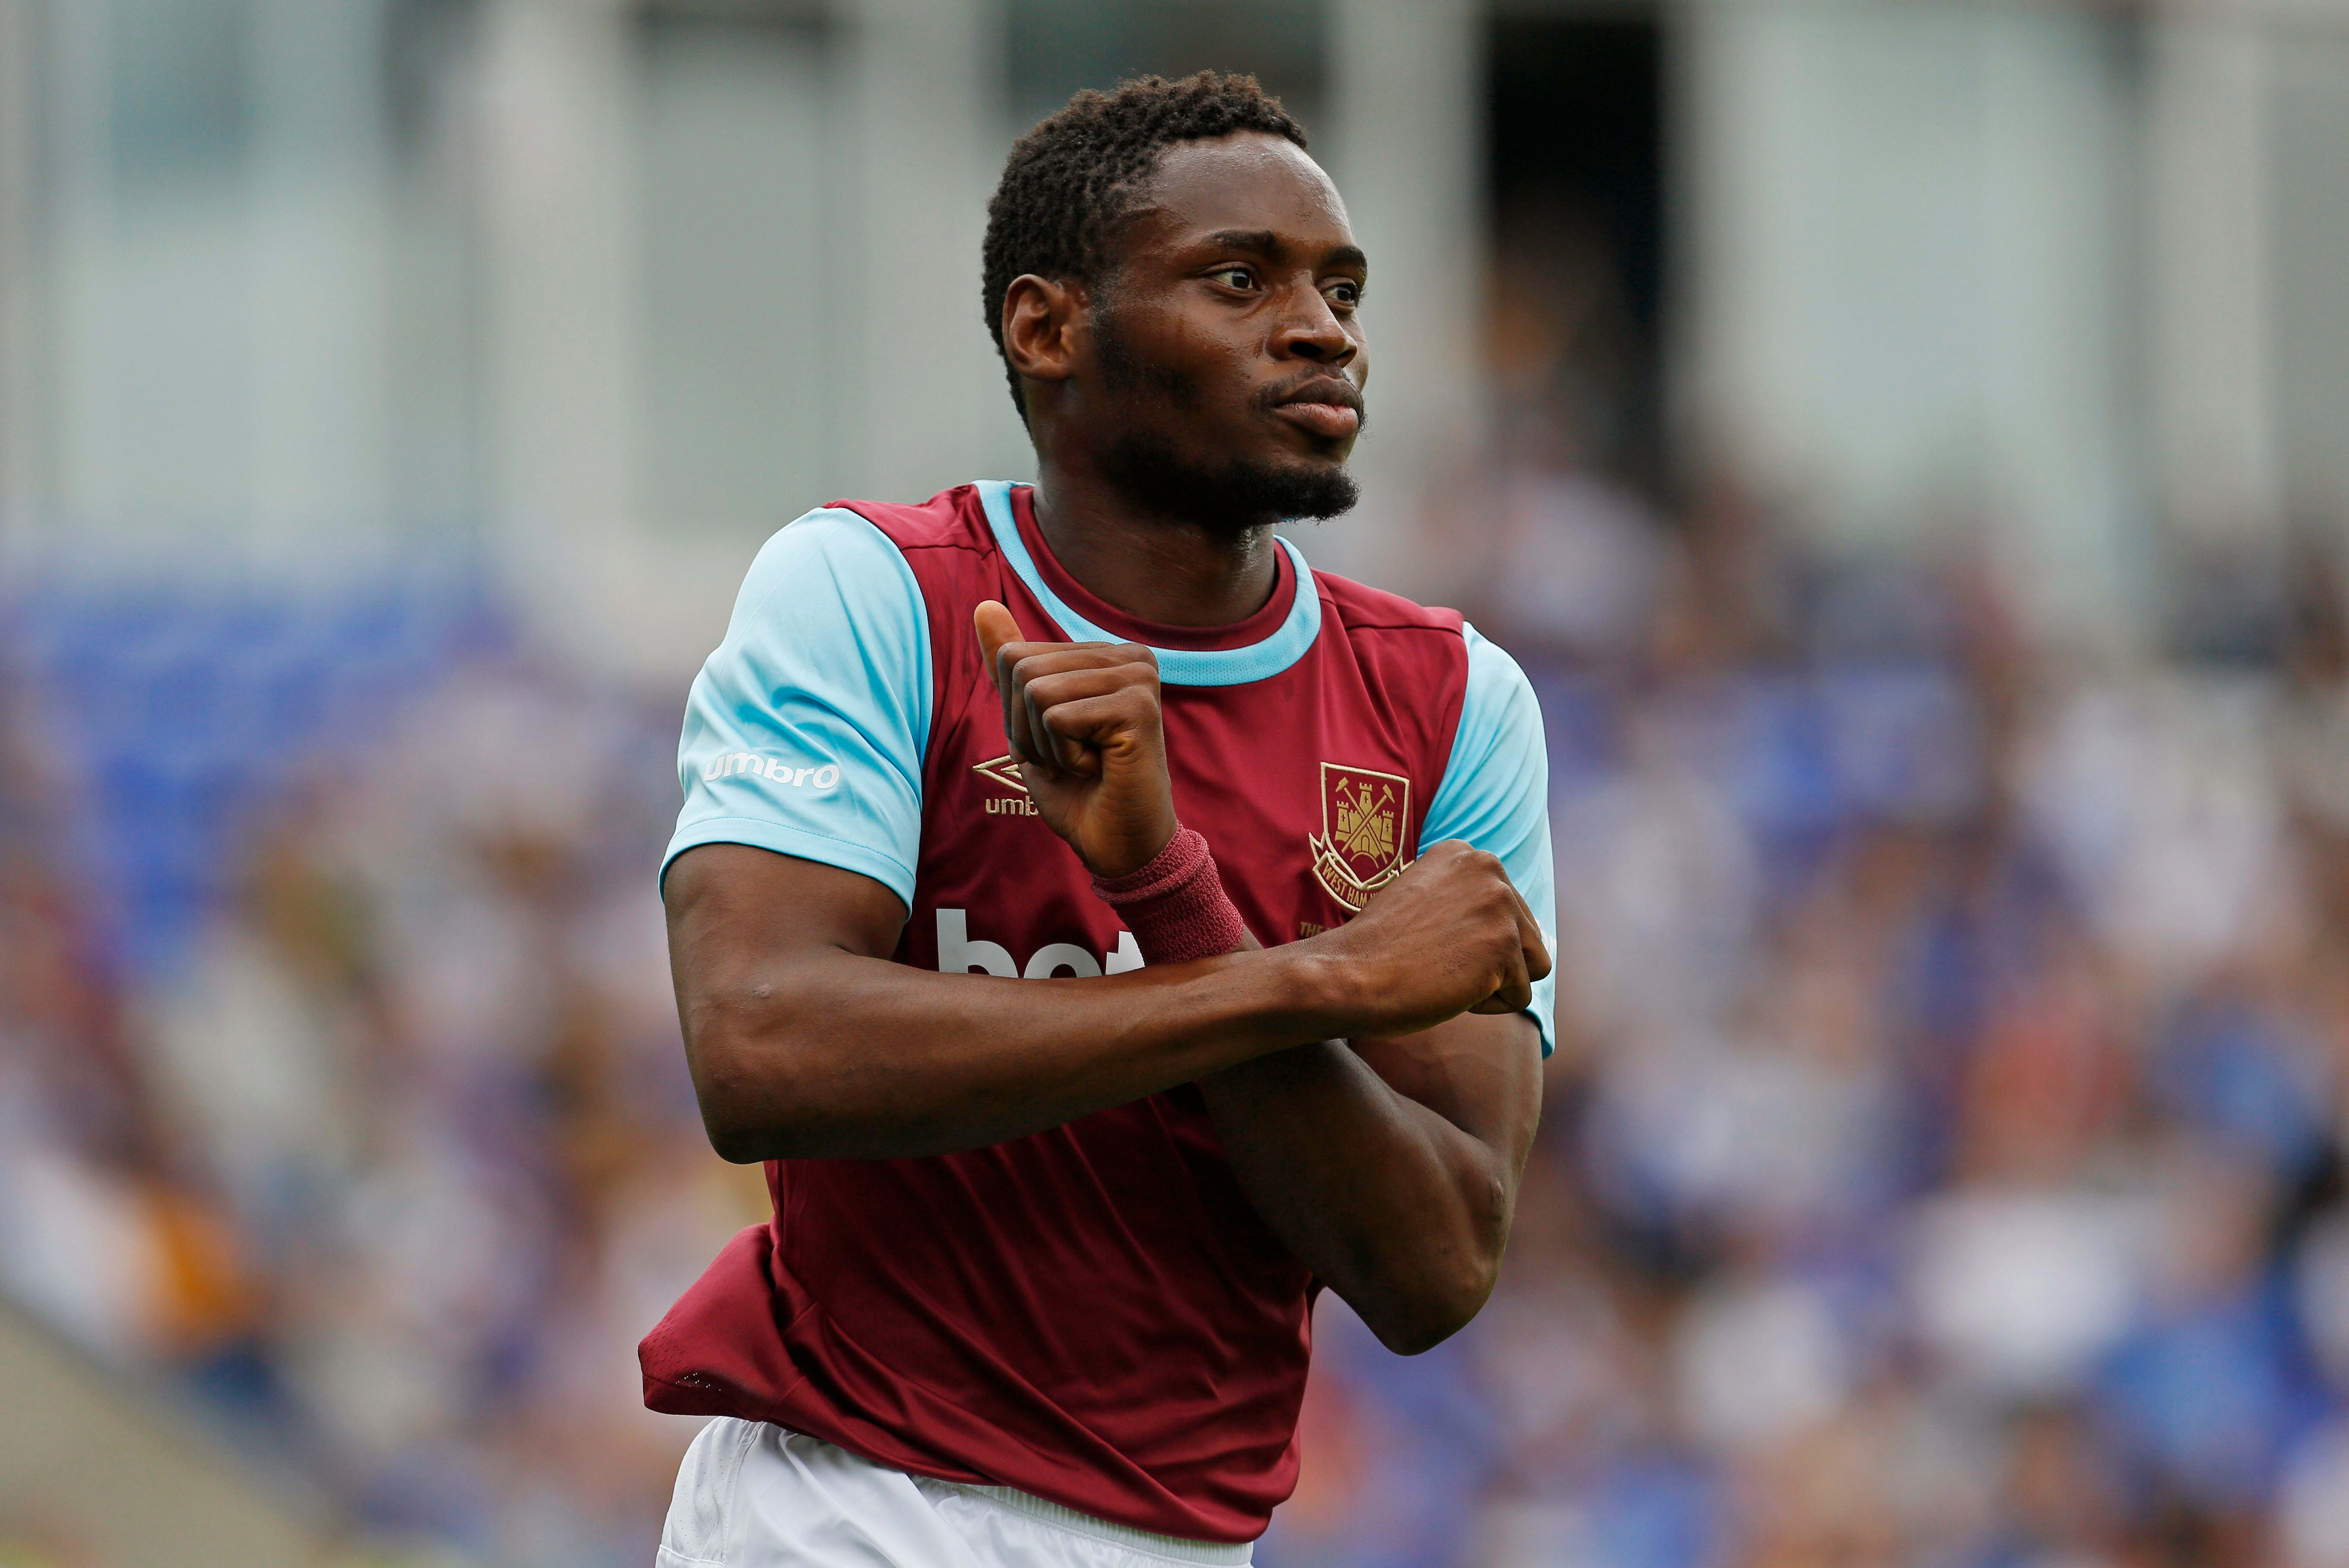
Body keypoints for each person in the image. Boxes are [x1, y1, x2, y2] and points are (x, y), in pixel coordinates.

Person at [643, 70, 1557, 1568]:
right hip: (856, 1505)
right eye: (1240, 280)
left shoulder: (1455, 702)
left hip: (1191, 1542)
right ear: (1047, 327)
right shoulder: (877, 593)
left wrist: (1167, 892)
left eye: (1341, 288)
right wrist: (1315, 979)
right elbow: (760, 1047)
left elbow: (1435, 1267)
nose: (1323, 329)